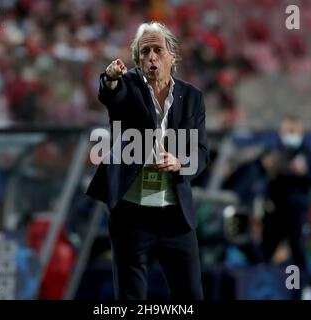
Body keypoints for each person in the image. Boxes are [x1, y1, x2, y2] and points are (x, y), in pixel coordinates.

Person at [86, 22, 208, 300]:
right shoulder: (128, 85)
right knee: (130, 298)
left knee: (191, 296)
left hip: (176, 216)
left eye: (158, 50)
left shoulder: (192, 97)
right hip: (132, 214)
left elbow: (200, 153)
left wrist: (180, 163)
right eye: (144, 52)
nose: (151, 57)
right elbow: (111, 96)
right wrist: (110, 78)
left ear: (172, 56)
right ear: (138, 60)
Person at [260, 115, 311, 277]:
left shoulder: (309, 154)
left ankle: (302, 289)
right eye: (286, 131)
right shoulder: (272, 151)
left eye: (292, 131)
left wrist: (305, 173)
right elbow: (257, 178)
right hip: (275, 212)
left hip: (297, 213)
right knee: (265, 251)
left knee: (298, 252)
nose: (289, 135)